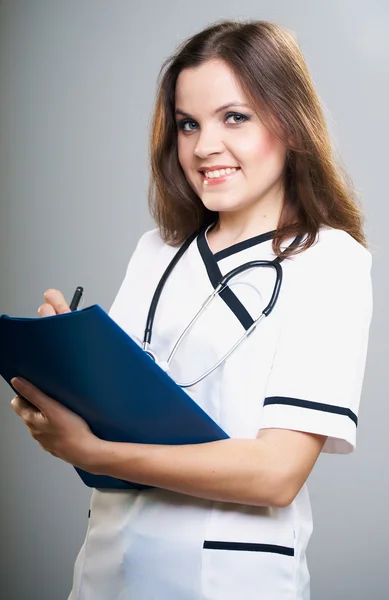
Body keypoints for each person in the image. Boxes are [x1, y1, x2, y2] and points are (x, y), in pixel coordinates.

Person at [10, 19, 373, 600]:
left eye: (235, 117)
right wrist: (61, 378)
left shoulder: (331, 262)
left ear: (290, 121)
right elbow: (119, 408)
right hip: (108, 567)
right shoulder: (156, 253)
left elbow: (276, 474)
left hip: (233, 579)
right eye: (188, 124)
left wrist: (96, 453)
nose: (204, 147)